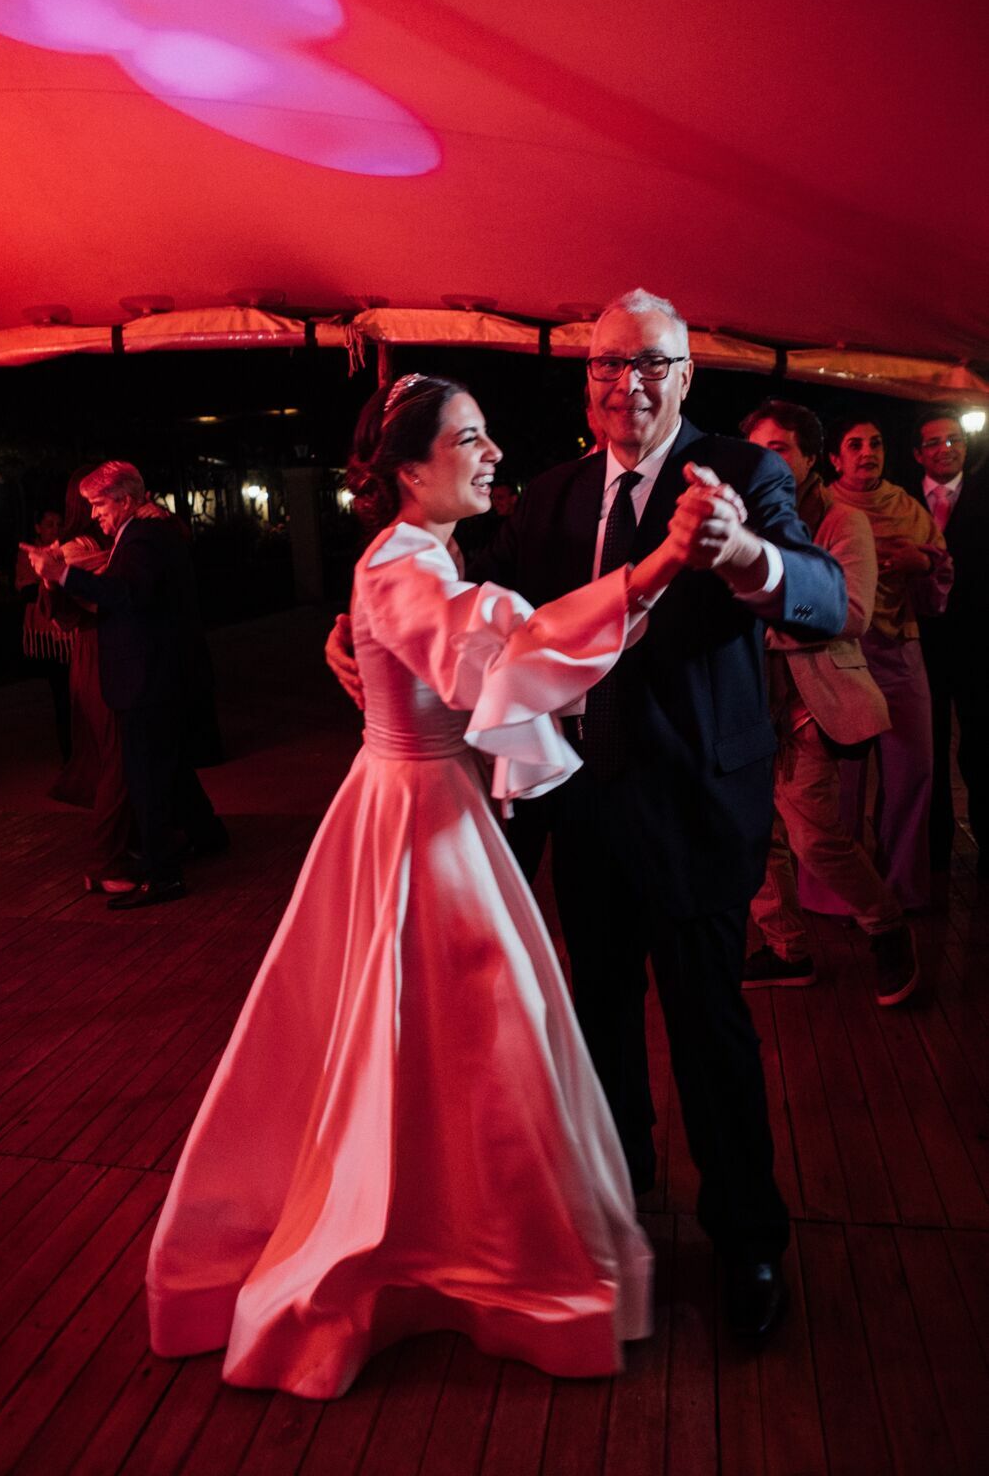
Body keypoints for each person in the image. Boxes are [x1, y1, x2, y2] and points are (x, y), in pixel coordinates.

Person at [146, 373, 741, 1398]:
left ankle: (440, 1228)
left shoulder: (420, 553)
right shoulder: (403, 563)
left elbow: (488, 637)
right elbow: (497, 652)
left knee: (431, 1036)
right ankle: (450, 1255)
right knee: (464, 1028)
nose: (491, 452)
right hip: (415, 817)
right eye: (468, 438)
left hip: (421, 801)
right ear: (409, 469)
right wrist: (650, 572)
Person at [329, 293, 848, 1344]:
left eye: (650, 364)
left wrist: (745, 557)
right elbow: (495, 641)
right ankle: (622, 1199)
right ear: (586, 381)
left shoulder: (741, 475)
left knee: (709, 1021)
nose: (628, 385)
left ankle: (747, 1239)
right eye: (608, 366)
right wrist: (364, 642)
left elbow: (824, 597)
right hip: (583, 802)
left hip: (701, 798)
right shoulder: (553, 496)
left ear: (686, 373)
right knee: (596, 1011)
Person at [738, 402, 916, 1005]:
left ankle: (888, 929)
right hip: (749, 704)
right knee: (756, 835)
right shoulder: (745, 520)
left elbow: (852, 613)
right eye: (757, 449)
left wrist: (755, 630)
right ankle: (788, 948)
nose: (768, 460)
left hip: (812, 700)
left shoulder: (841, 522)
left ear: (812, 456)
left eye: (780, 448)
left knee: (817, 840)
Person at [25, 461, 226, 909]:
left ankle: (160, 874)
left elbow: (125, 594)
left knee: (144, 777)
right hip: (149, 674)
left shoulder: (144, 537)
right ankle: (191, 843)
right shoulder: (139, 534)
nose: (94, 514)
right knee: (154, 770)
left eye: (99, 504)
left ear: (126, 500)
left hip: (147, 676)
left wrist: (60, 574)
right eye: (91, 506)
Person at [798, 415, 951, 918]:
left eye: (877, 443)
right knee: (840, 783)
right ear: (835, 458)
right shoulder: (824, 511)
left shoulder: (907, 508)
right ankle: (839, 893)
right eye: (855, 444)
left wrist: (923, 565)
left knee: (914, 773)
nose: (868, 452)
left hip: (901, 651)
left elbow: (937, 591)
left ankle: (903, 890)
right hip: (840, 656)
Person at [909, 411, 989, 879]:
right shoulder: (901, 499)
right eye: (935, 442)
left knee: (981, 746)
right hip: (922, 643)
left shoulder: (981, 495)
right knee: (927, 750)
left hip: (979, 643)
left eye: (954, 440)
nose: (946, 449)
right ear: (919, 454)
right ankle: (932, 850)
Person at [15, 507, 73, 761]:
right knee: (62, 694)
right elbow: (25, 590)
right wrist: (53, 581)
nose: (55, 528)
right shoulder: (28, 554)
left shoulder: (68, 549)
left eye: (59, 523)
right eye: (49, 523)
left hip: (71, 632)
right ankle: (69, 753)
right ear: (38, 528)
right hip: (49, 636)